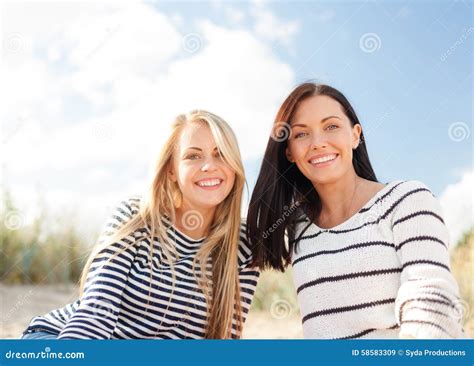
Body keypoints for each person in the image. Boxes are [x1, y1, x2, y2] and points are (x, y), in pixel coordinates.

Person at [247, 82, 465, 339]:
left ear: (355, 135)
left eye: (331, 127)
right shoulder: (296, 228)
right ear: (289, 153)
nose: (318, 143)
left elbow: (431, 301)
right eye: (301, 134)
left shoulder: (406, 200)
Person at [22, 110, 259, 339]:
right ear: (171, 171)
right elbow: (95, 314)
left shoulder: (244, 244)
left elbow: (224, 339)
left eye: (220, 154)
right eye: (193, 156)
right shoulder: (135, 217)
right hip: (62, 339)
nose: (209, 165)